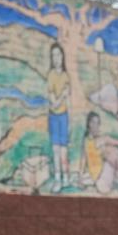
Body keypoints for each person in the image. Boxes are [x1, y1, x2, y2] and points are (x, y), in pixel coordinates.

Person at [46, 42, 72, 192]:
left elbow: (68, 103)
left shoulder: (65, 76)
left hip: (64, 117)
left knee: (64, 151)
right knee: (56, 150)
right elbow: (54, 104)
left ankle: (66, 178)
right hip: (54, 116)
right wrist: (62, 94)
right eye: (53, 55)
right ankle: (57, 179)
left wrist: (70, 121)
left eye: (58, 54)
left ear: (62, 56)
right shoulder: (50, 76)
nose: (56, 58)